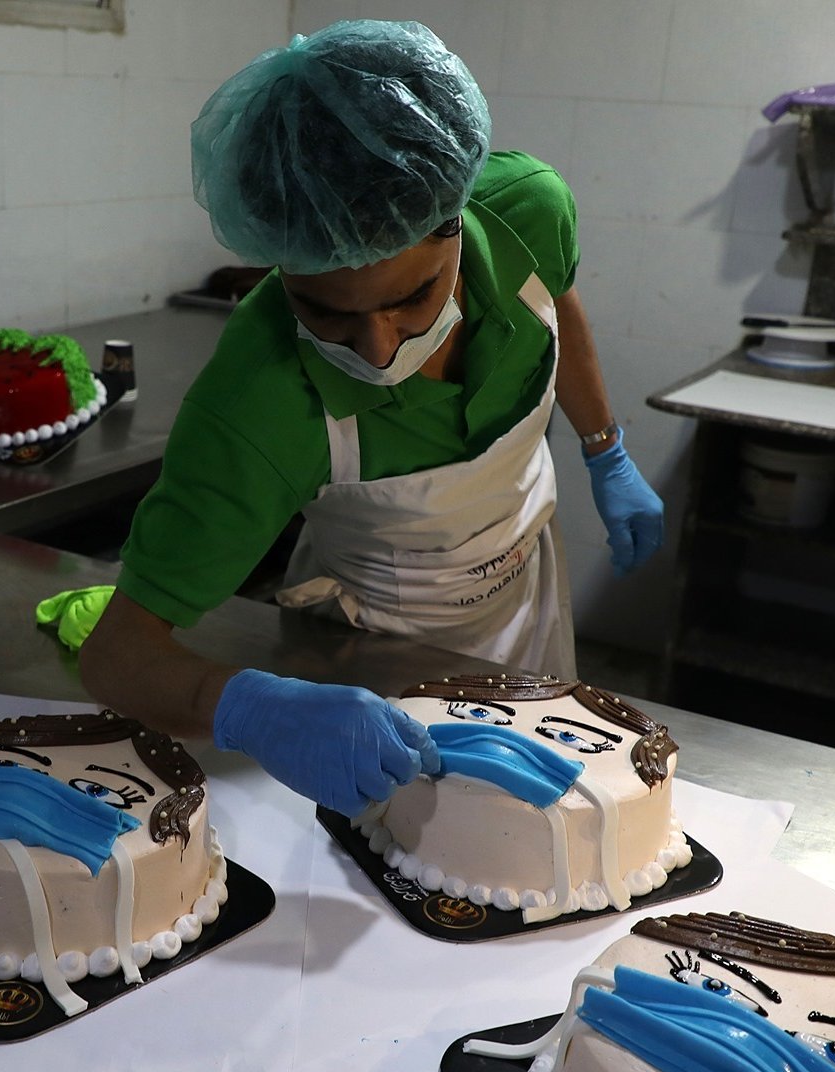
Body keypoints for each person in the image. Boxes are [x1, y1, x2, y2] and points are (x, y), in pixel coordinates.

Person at [79, 19, 663, 819]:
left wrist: (605, 451)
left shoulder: (526, 209)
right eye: (327, 313)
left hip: (527, 583)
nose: (380, 346)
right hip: (368, 649)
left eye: (411, 298)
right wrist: (239, 702)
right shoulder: (259, 401)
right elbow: (117, 656)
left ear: (454, 221)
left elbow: (556, 296)